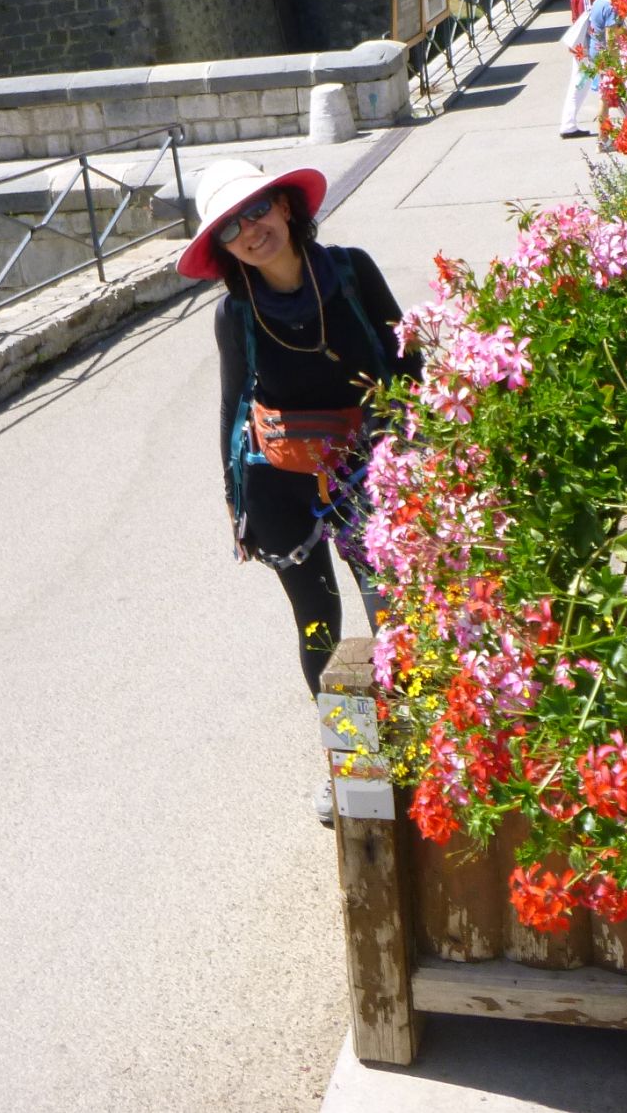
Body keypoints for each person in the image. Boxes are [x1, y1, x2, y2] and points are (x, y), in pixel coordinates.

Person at [179, 159, 417, 822]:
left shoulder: (351, 271)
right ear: (223, 249)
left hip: (369, 471)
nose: (250, 231)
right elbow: (233, 408)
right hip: (279, 486)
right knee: (318, 625)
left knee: (393, 614)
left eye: (257, 210)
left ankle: (416, 752)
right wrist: (237, 507)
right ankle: (356, 768)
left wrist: (410, 447)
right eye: (230, 227)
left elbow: (407, 362)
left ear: (286, 206)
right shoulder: (235, 313)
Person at [560, 0, 616, 139]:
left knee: (580, 83)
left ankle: (568, 124)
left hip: (583, 45)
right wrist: (590, 46)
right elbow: (587, 17)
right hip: (584, 45)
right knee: (580, 83)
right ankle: (568, 125)